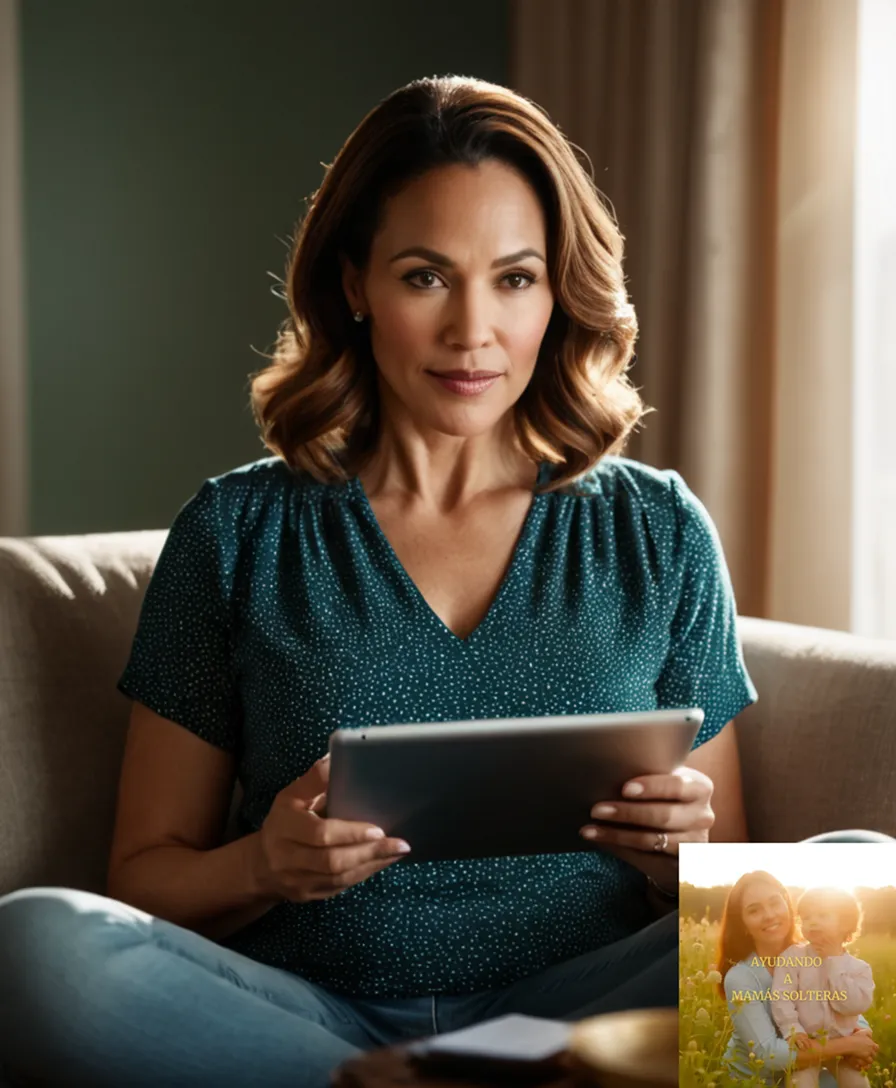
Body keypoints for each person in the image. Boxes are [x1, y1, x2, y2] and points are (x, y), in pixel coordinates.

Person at [0, 75, 758, 1087]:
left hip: (584, 999)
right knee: (37, 944)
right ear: (353, 282)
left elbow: (738, 896)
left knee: (852, 891)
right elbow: (145, 879)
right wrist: (261, 865)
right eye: (424, 276)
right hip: (312, 1017)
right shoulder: (237, 533)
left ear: (557, 290)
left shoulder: (653, 530)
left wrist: (680, 861)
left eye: (514, 278)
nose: (472, 331)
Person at [717, 871, 879, 1085]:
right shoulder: (740, 978)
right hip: (757, 1080)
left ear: (788, 905)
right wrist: (849, 1045)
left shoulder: (816, 953)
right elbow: (767, 1054)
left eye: (775, 903)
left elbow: (838, 1002)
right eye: (754, 910)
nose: (769, 915)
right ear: (743, 925)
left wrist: (862, 1033)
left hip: (810, 1064)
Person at [770, 886, 874, 1088]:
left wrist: (833, 961)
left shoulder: (859, 969)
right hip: (807, 1044)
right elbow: (782, 997)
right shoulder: (792, 958)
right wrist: (793, 1030)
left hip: (844, 1049)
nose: (813, 922)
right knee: (800, 1084)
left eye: (823, 915)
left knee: (858, 1084)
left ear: (845, 924)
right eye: (806, 917)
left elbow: (852, 1006)